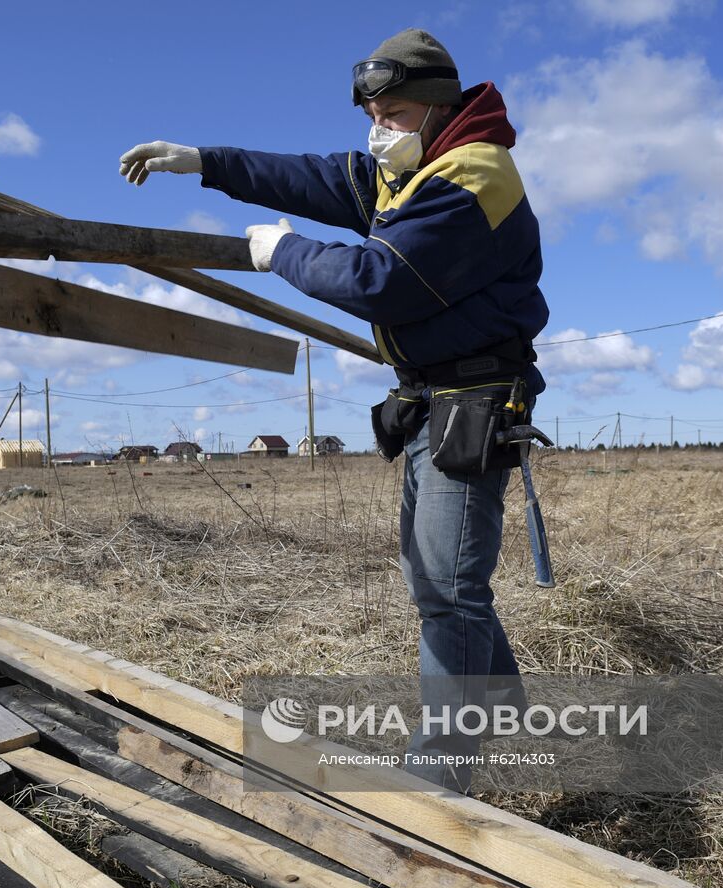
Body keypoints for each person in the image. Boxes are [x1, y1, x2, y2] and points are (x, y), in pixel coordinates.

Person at [119, 28, 548, 792]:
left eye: (394, 112)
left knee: (450, 591)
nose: (378, 130)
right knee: (444, 580)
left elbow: (379, 280)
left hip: (471, 401)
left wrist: (280, 252)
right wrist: (205, 162)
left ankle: (437, 787)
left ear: (439, 107)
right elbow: (311, 177)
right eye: (373, 114)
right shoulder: (408, 168)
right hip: (431, 402)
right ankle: (515, 730)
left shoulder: (473, 175)